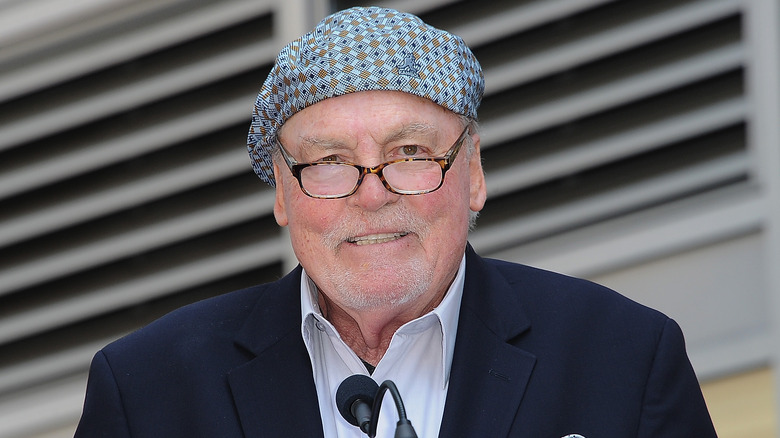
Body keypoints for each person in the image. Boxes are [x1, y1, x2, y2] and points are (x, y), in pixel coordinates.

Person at [74, 6, 717, 438]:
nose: (372, 195)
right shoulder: (146, 391)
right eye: (329, 162)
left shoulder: (625, 358)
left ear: (474, 175)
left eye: (410, 154)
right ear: (280, 193)